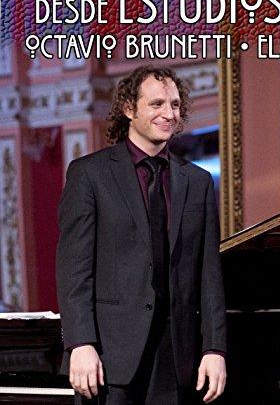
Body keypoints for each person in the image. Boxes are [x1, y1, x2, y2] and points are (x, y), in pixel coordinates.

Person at [56, 66, 227, 404]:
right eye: (157, 104)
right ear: (129, 109)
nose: (169, 114)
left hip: (176, 354)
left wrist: (214, 348)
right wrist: (80, 343)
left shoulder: (197, 181)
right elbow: (74, 269)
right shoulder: (89, 174)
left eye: (175, 105)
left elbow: (209, 274)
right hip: (108, 354)